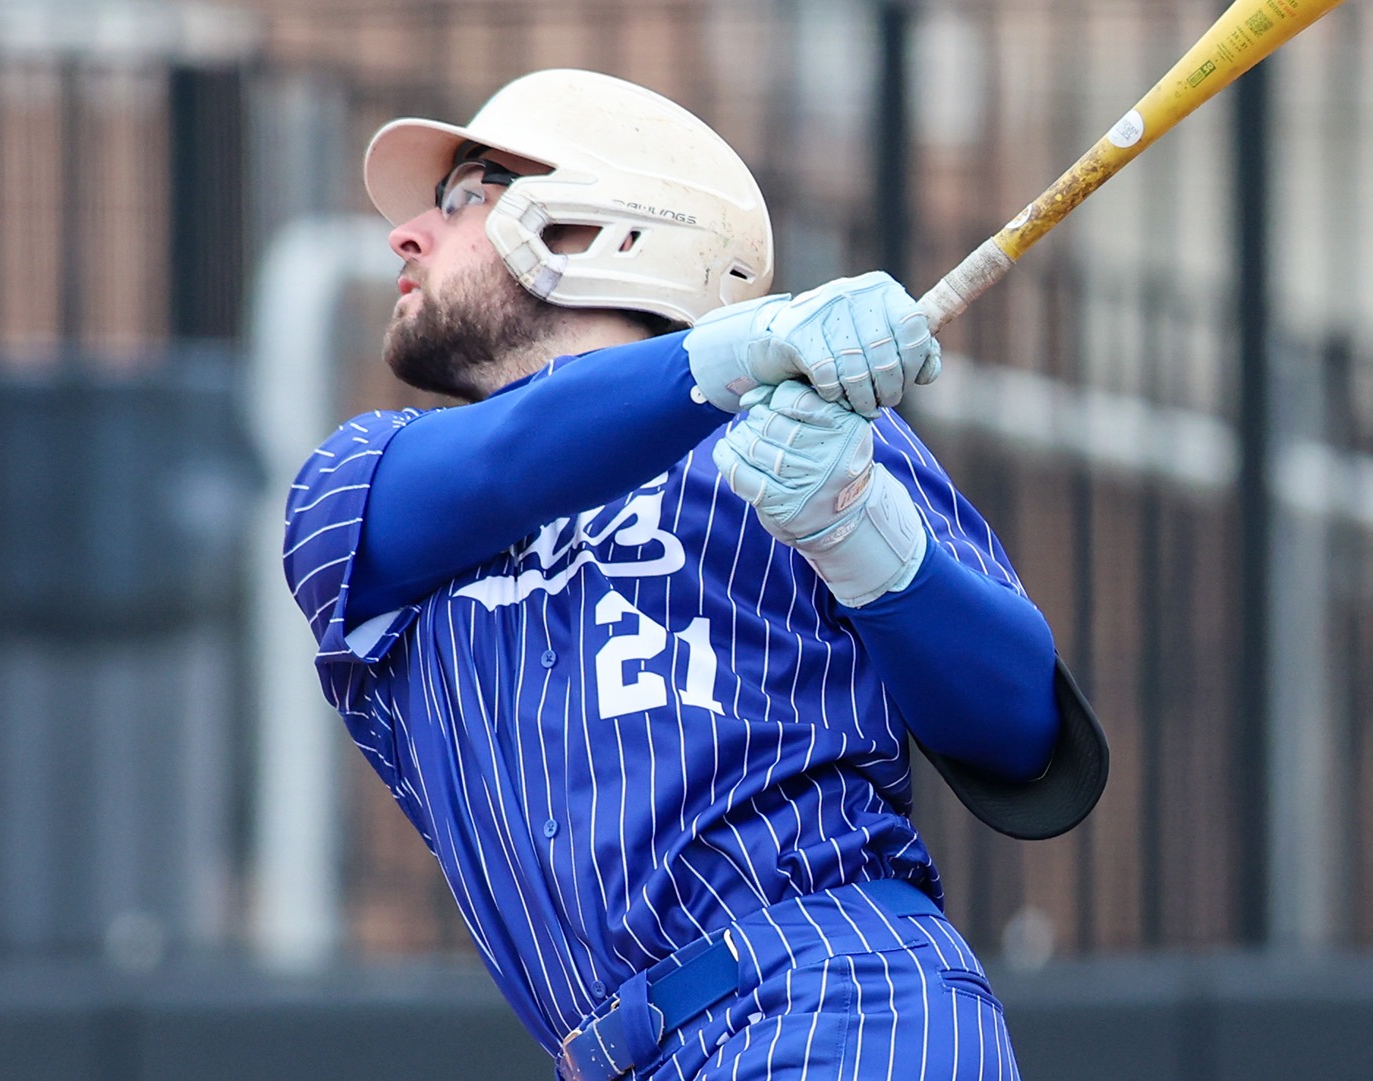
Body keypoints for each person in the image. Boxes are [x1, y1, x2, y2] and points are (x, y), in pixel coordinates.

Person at [283, 68, 1106, 1081]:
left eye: (464, 196)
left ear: (591, 231)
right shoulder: (357, 490)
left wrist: (862, 538)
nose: (409, 233)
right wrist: (750, 345)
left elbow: (1020, 734)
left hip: (837, 1005)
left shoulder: (810, 433)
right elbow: (514, 457)